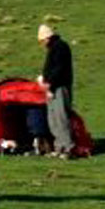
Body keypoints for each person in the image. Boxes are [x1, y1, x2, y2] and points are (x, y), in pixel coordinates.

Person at [37, 24, 74, 158]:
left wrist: (49, 83)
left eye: (41, 41)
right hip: (52, 88)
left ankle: (67, 148)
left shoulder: (60, 47)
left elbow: (59, 69)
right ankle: (59, 147)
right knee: (53, 118)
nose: (41, 44)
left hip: (59, 87)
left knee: (61, 117)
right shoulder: (54, 48)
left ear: (47, 38)